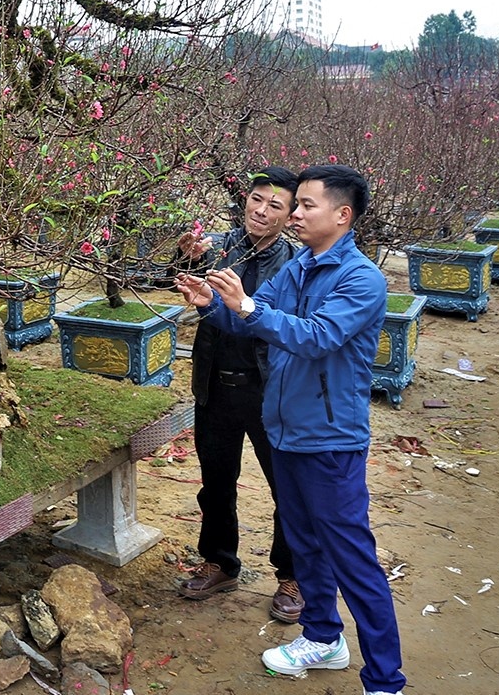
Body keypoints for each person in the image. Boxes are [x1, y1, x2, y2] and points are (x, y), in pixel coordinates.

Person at [177, 164, 405, 695]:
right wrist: (215, 307)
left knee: (351, 554)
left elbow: (316, 337)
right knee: (305, 545)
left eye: (306, 206)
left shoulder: (361, 279)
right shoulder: (300, 265)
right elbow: (256, 320)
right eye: (294, 205)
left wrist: (248, 306)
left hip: (329, 438)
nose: (294, 214)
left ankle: (385, 678)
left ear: (342, 215)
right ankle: (323, 637)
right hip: (285, 429)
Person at [175, 167, 302, 624]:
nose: (261, 211)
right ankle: (220, 562)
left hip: (269, 391)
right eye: (255, 199)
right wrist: (185, 260)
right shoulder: (221, 245)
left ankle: (292, 575)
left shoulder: (294, 265)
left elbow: (274, 322)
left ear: (291, 216)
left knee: (286, 488)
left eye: (275, 205)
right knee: (216, 481)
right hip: (215, 384)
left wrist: (238, 299)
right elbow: (181, 284)